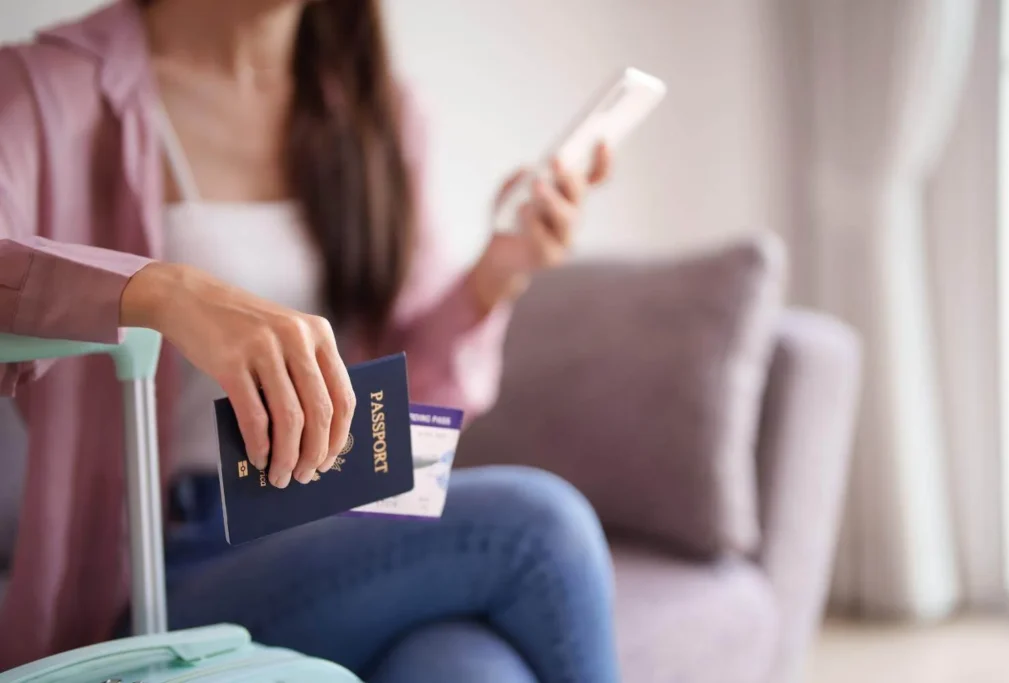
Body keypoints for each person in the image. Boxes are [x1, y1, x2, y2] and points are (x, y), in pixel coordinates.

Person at [0, 0, 622, 681]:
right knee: (542, 525)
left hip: (344, 508)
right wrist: (163, 292)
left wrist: (497, 275)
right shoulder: (45, 89)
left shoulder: (372, 110)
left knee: (466, 666)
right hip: (165, 559)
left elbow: (406, 403)